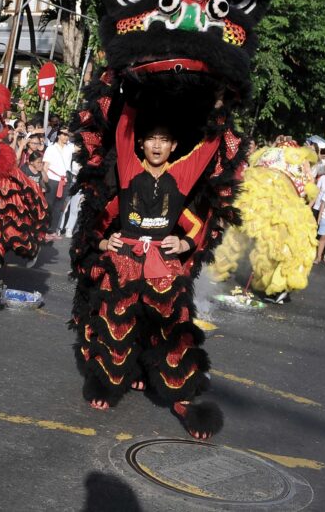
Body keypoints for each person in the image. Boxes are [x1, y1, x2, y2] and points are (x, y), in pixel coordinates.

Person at [82, 105, 223, 437]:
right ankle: (108, 383)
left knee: (175, 329)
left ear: (173, 146)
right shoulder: (129, 168)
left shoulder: (182, 175)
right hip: (124, 263)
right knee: (115, 325)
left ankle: (183, 398)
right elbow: (95, 225)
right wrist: (104, 242)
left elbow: (209, 147)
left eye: (164, 140)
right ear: (141, 143)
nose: (157, 145)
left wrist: (184, 243)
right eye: (151, 139)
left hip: (163, 266)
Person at [42, 127, 73, 238]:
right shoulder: (51, 148)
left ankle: (53, 231)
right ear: (59, 135)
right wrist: (43, 183)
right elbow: (45, 166)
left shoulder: (70, 148)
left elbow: (81, 146)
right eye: (64, 134)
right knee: (48, 205)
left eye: (67, 134)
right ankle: (43, 229)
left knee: (59, 207)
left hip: (65, 181)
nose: (66, 136)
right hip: (52, 179)